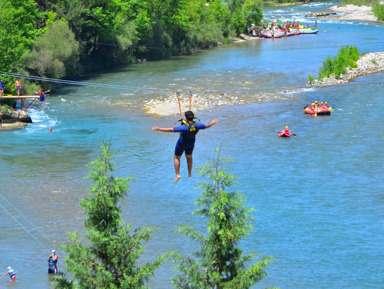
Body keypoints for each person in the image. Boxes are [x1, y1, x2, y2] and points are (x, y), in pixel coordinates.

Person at [152, 110, 218, 183]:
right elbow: (207, 125)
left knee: (177, 157)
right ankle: (189, 173)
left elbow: (171, 130)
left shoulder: (184, 127)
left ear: (186, 118)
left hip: (182, 143)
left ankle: (177, 175)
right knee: (189, 157)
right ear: (193, 118)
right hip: (191, 144)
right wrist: (213, 122)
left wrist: (159, 128)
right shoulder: (197, 125)